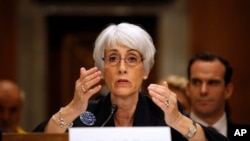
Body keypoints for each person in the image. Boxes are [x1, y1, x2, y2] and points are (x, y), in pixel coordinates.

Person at [33, 23, 229, 141]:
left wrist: (178, 120)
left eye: (132, 58)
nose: (122, 68)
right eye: (112, 58)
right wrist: (73, 108)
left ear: (146, 70)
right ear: (102, 70)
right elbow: (39, 139)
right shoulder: (85, 114)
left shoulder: (163, 113)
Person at [186, 52, 250, 140]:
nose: (203, 91)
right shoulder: (168, 134)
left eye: (212, 83)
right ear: (188, 89)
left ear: (228, 90)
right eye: (196, 82)